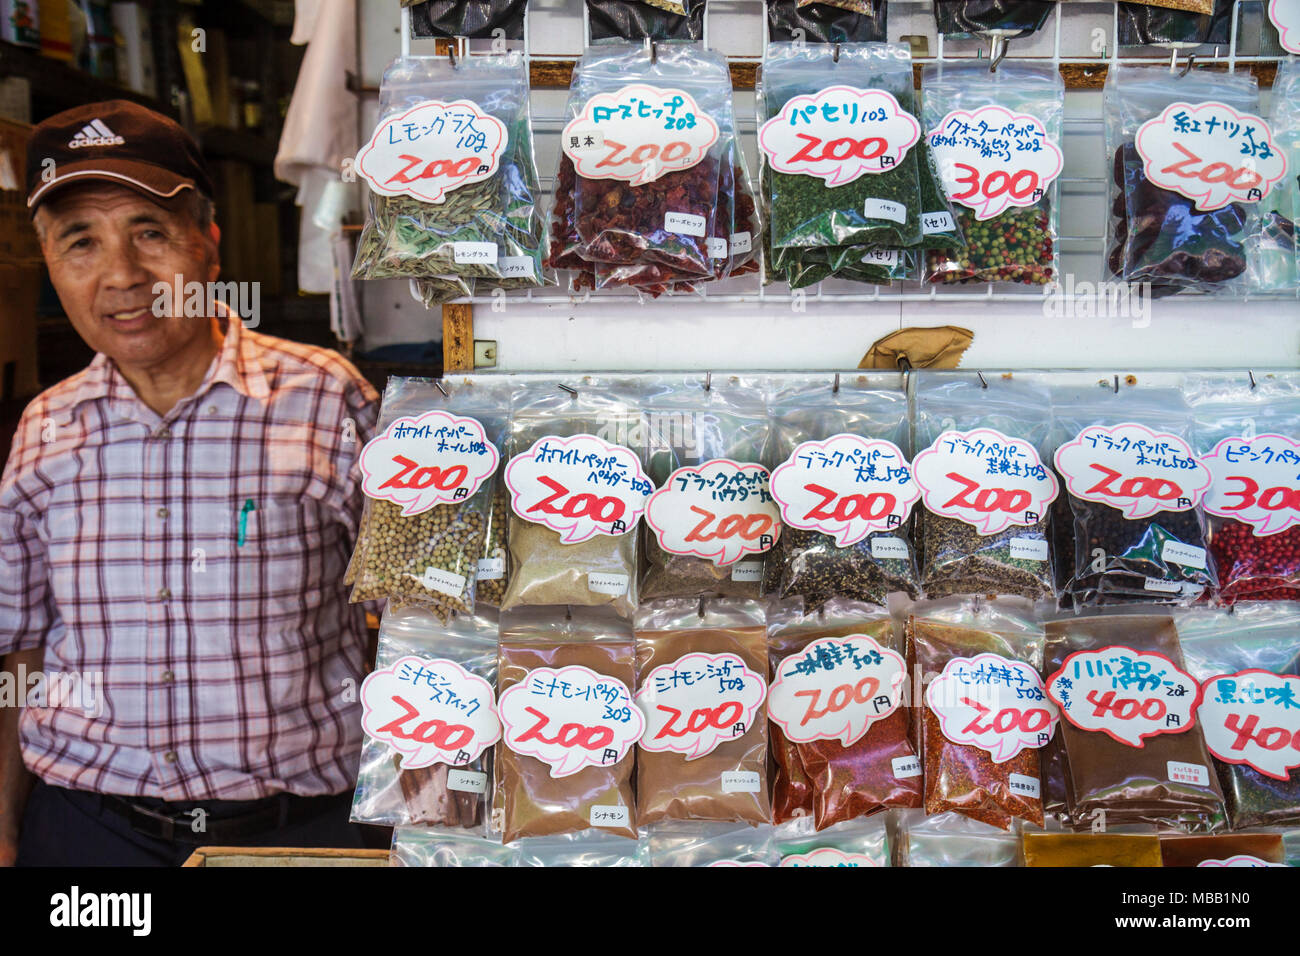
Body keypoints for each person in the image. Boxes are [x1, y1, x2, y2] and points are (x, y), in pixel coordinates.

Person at [0, 100, 381, 866]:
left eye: (149, 232)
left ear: (208, 244)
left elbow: (414, 624)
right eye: (81, 241)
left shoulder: (324, 397)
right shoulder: (44, 429)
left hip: (303, 835)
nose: (122, 275)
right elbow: (20, 649)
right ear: (50, 262)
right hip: (90, 835)